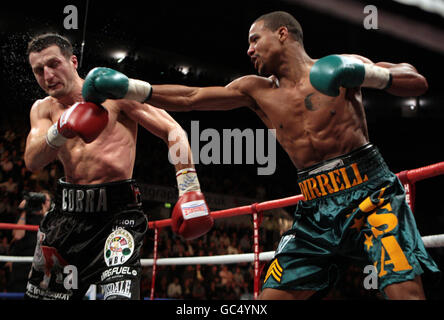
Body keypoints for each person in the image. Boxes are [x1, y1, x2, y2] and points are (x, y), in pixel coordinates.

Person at [81, 11, 440, 300]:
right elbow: (190, 98)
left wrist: (366, 73)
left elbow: (415, 80)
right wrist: (130, 87)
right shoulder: (255, 91)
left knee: (404, 290)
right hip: (316, 208)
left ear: (283, 34)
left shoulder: (339, 65)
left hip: (372, 194)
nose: (249, 50)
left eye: (255, 39)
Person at [23, 33, 213, 300]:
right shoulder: (43, 110)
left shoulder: (113, 93)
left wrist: (189, 186)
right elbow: (32, 160)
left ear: (73, 61)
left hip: (117, 218)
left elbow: (172, 130)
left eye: (54, 64)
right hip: (66, 217)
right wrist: (61, 128)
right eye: (38, 70)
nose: (47, 74)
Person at [5, 191, 51, 292]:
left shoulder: (50, 219)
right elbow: (18, 235)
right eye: (41, 200)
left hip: (39, 263)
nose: (43, 203)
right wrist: (25, 210)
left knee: (37, 292)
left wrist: (44, 212)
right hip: (22, 261)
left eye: (46, 200)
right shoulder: (26, 216)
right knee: (18, 290)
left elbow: (49, 235)